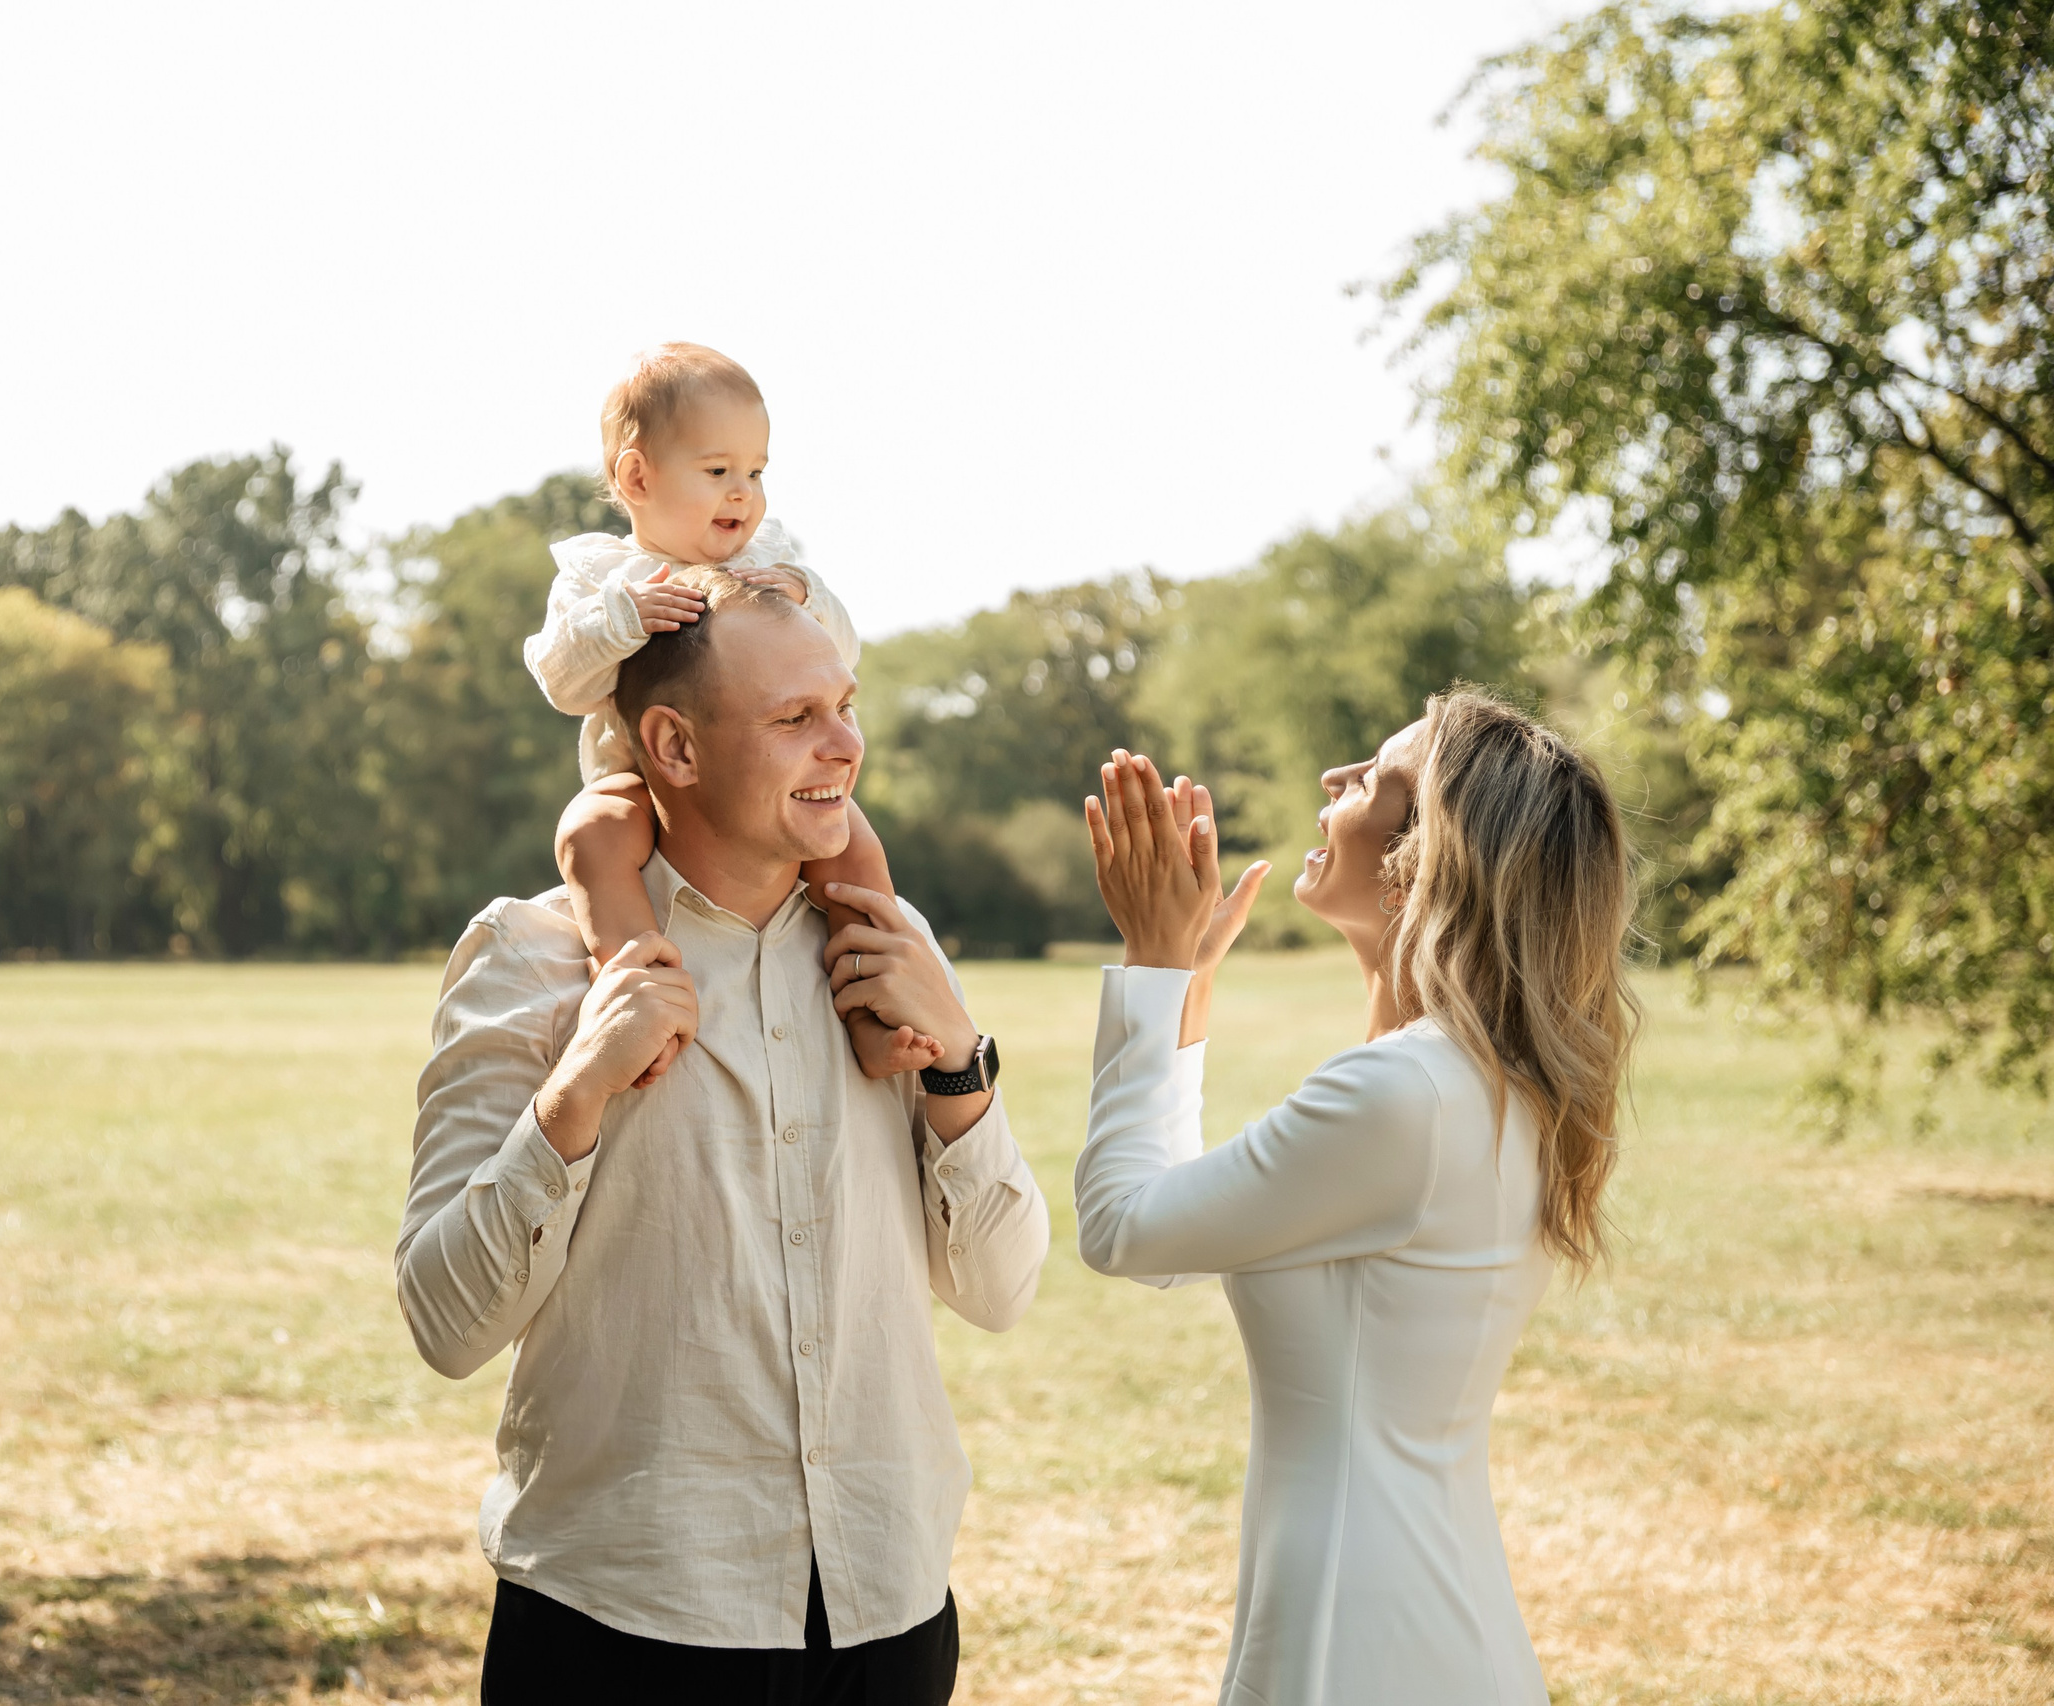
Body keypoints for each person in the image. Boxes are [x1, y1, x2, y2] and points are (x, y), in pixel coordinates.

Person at [402, 571, 1049, 1705]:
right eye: (795, 718)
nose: (843, 744)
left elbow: (1001, 1288)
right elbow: (447, 1324)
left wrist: (956, 1059)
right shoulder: (528, 958)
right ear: (675, 747)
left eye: (845, 705)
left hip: (888, 1614)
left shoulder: (891, 952)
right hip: (619, 1623)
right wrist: (575, 1094)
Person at [1072, 691, 1639, 1706]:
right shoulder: (1465, 1078)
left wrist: (1153, 962)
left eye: (1375, 780)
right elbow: (1172, 1233)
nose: (1333, 784)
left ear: (1424, 860)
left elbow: (1124, 1231)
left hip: (1357, 1639)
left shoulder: (1401, 1096)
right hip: (1414, 1612)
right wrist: (1186, 986)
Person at [524, 341, 940, 1082]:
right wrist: (623, 619)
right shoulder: (605, 577)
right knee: (590, 834)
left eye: (756, 472)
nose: (743, 493)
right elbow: (563, 681)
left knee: (852, 849)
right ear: (637, 476)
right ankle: (635, 990)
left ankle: (874, 1013)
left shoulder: (765, 563)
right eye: (718, 472)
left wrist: (804, 595)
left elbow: (840, 654)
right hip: (639, 786)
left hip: (756, 791)